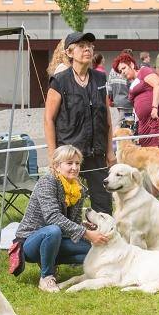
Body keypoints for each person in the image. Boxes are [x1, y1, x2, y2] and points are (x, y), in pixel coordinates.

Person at [14, 145, 110, 292]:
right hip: (30, 241)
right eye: (69, 163)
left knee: (95, 249)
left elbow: (74, 223)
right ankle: (46, 277)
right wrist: (86, 234)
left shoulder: (79, 189)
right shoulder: (48, 182)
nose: (75, 167)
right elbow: (53, 217)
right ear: (57, 166)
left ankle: (51, 261)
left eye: (77, 163)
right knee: (53, 230)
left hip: (59, 238)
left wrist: (87, 228)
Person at [44, 31, 115, 214]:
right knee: (67, 204)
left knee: (104, 203)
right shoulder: (59, 81)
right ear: (69, 52)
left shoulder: (100, 78)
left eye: (90, 46)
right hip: (69, 154)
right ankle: (68, 240)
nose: (88, 49)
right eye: (82, 46)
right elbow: (49, 119)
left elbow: (106, 117)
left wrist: (109, 150)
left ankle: (103, 239)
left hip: (96, 152)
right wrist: (53, 156)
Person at [123, 51, 159, 147]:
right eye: (120, 71)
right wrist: (130, 121)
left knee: (158, 151)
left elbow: (158, 85)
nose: (123, 72)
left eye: (124, 68)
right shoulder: (131, 83)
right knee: (146, 153)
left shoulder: (144, 71)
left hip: (157, 115)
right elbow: (134, 105)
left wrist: (154, 107)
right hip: (143, 121)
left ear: (132, 65)